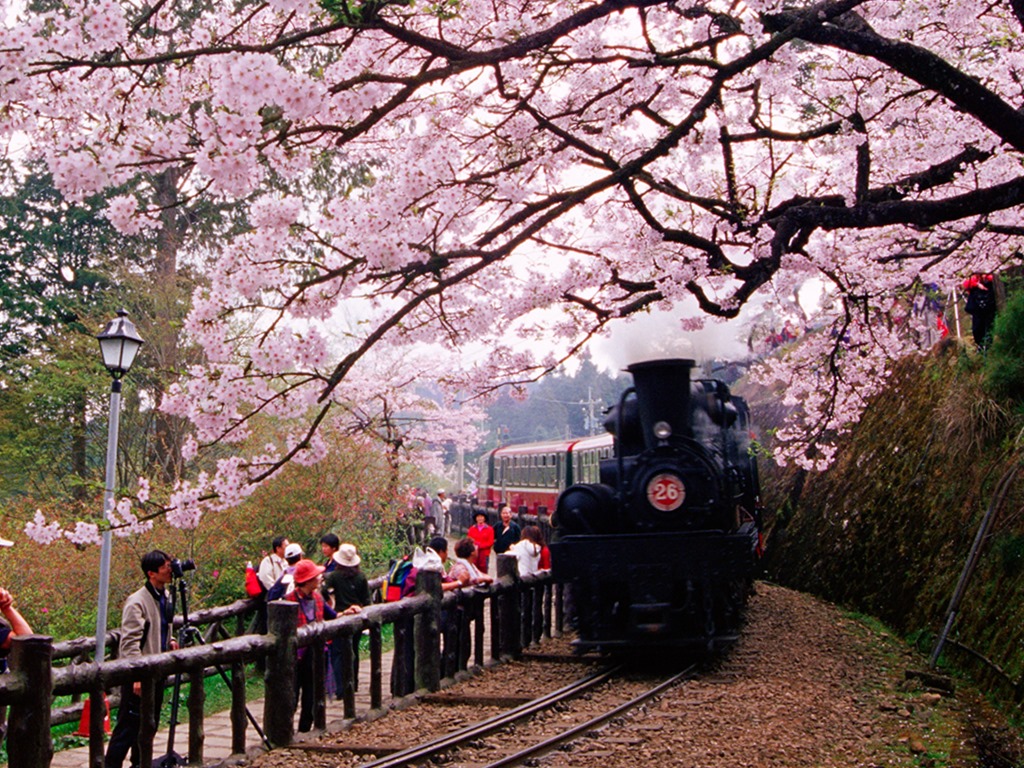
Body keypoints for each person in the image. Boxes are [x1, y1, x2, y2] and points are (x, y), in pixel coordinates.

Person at [106, 550, 179, 768]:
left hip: (157, 671)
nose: (170, 570)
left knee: (149, 724)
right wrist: (136, 675)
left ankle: (139, 764)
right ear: (151, 573)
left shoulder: (165, 596)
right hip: (138, 674)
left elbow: (164, 625)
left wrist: (171, 640)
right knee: (128, 727)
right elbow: (129, 643)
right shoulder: (137, 601)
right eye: (165, 566)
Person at [285, 559, 337, 732]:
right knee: (291, 696)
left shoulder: (318, 597)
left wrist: (349, 612)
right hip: (295, 657)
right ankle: (285, 731)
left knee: (311, 695)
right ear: (307, 580)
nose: (320, 578)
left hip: (315, 655)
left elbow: (333, 616)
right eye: (316, 576)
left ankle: (304, 730)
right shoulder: (288, 601)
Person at [321, 543, 368, 699]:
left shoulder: (334, 576)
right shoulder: (361, 577)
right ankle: (352, 683)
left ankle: (340, 687)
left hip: (339, 616)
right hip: (357, 617)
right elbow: (366, 599)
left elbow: (324, 592)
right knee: (353, 649)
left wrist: (331, 602)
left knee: (338, 652)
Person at [963, 273, 997, 349]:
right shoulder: (974, 280)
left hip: (989, 309)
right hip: (977, 310)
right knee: (977, 329)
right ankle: (980, 345)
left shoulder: (991, 279)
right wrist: (977, 284)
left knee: (989, 327)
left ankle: (988, 345)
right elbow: (966, 284)